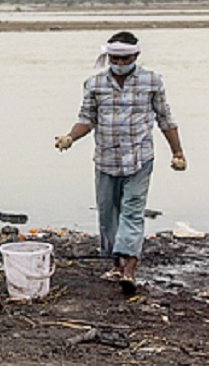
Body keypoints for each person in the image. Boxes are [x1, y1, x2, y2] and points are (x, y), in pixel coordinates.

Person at [55, 31, 186, 295]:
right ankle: (116, 264)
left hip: (139, 158)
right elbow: (87, 119)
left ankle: (130, 269)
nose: (119, 62)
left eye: (125, 58)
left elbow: (165, 118)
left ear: (136, 56)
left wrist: (178, 152)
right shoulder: (94, 84)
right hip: (106, 159)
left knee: (133, 211)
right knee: (107, 214)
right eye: (114, 58)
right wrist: (70, 137)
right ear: (108, 57)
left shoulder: (152, 81)